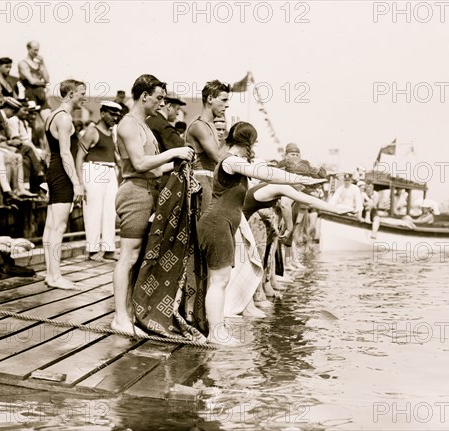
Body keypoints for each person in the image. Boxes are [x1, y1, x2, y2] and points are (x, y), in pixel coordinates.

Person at [197, 121, 325, 345]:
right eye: (252, 145)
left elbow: (267, 174)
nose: (251, 151)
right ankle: (216, 332)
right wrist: (303, 178)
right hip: (217, 223)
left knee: (219, 280)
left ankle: (216, 329)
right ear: (248, 144)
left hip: (222, 223)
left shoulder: (232, 161)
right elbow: (267, 174)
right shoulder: (231, 160)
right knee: (219, 281)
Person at [112, 74, 193, 337]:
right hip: (134, 192)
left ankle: (128, 314)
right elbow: (139, 164)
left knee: (137, 259)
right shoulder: (128, 125)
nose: (161, 103)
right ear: (144, 95)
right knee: (128, 257)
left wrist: (182, 162)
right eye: (158, 98)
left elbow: (156, 169)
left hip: (148, 190)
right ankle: (119, 317)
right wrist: (172, 153)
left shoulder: (144, 126)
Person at [42, 79, 87, 290]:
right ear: (70, 94)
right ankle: (56, 276)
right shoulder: (65, 119)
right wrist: (76, 184)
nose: (84, 98)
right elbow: (65, 153)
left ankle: (51, 274)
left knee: (50, 226)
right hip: (62, 172)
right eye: (81, 93)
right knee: (58, 227)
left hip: (53, 170)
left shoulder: (51, 115)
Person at [76, 101, 123, 261]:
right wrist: (80, 183)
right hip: (94, 170)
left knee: (110, 211)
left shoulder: (112, 133)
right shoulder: (91, 131)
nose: (115, 117)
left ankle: (109, 248)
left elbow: (116, 157)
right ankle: (92, 249)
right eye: (111, 113)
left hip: (110, 171)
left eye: (117, 114)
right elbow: (79, 157)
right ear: (102, 113)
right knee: (93, 211)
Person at [186, 80, 229, 214]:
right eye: (223, 100)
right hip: (201, 182)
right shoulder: (199, 125)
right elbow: (218, 158)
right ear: (210, 98)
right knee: (203, 230)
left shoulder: (210, 125)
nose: (226, 105)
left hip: (210, 181)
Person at [18, 41, 50, 114]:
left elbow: (47, 79)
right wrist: (43, 83)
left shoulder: (38, 64)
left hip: (41, 94)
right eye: (35, 50)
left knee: (49, 120)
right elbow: (32, 81)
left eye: (38, 50)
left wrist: (42, 63)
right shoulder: (23, 63)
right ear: (28, 49)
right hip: (30, 94)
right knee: (32, 119)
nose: (36, 52)